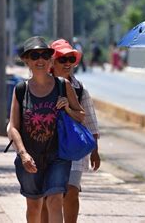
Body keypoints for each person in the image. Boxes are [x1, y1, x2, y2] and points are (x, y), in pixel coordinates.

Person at [7, 36, 85, 222]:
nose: (40, 60)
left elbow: (81, 116)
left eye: (44, 55)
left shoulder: (62, 85)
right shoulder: (21, 90)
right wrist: (23, 154)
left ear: (50, 58)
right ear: (27, 60)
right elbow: (13, 127)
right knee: (34, 206)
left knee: (55, 200)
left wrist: (67, 107)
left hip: (58, 155)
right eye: (35, 56)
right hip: (30, 156)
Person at [43, 39, 101, 223]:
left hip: (73, 148)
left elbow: (89, 120)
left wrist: (95, 151)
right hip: (47, 148)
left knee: (71, 190)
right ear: (52, 61)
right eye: (62, 59)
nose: (67, 63)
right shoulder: (40, 86)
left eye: (71, 59)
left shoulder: (79, 89)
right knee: (47, 196)